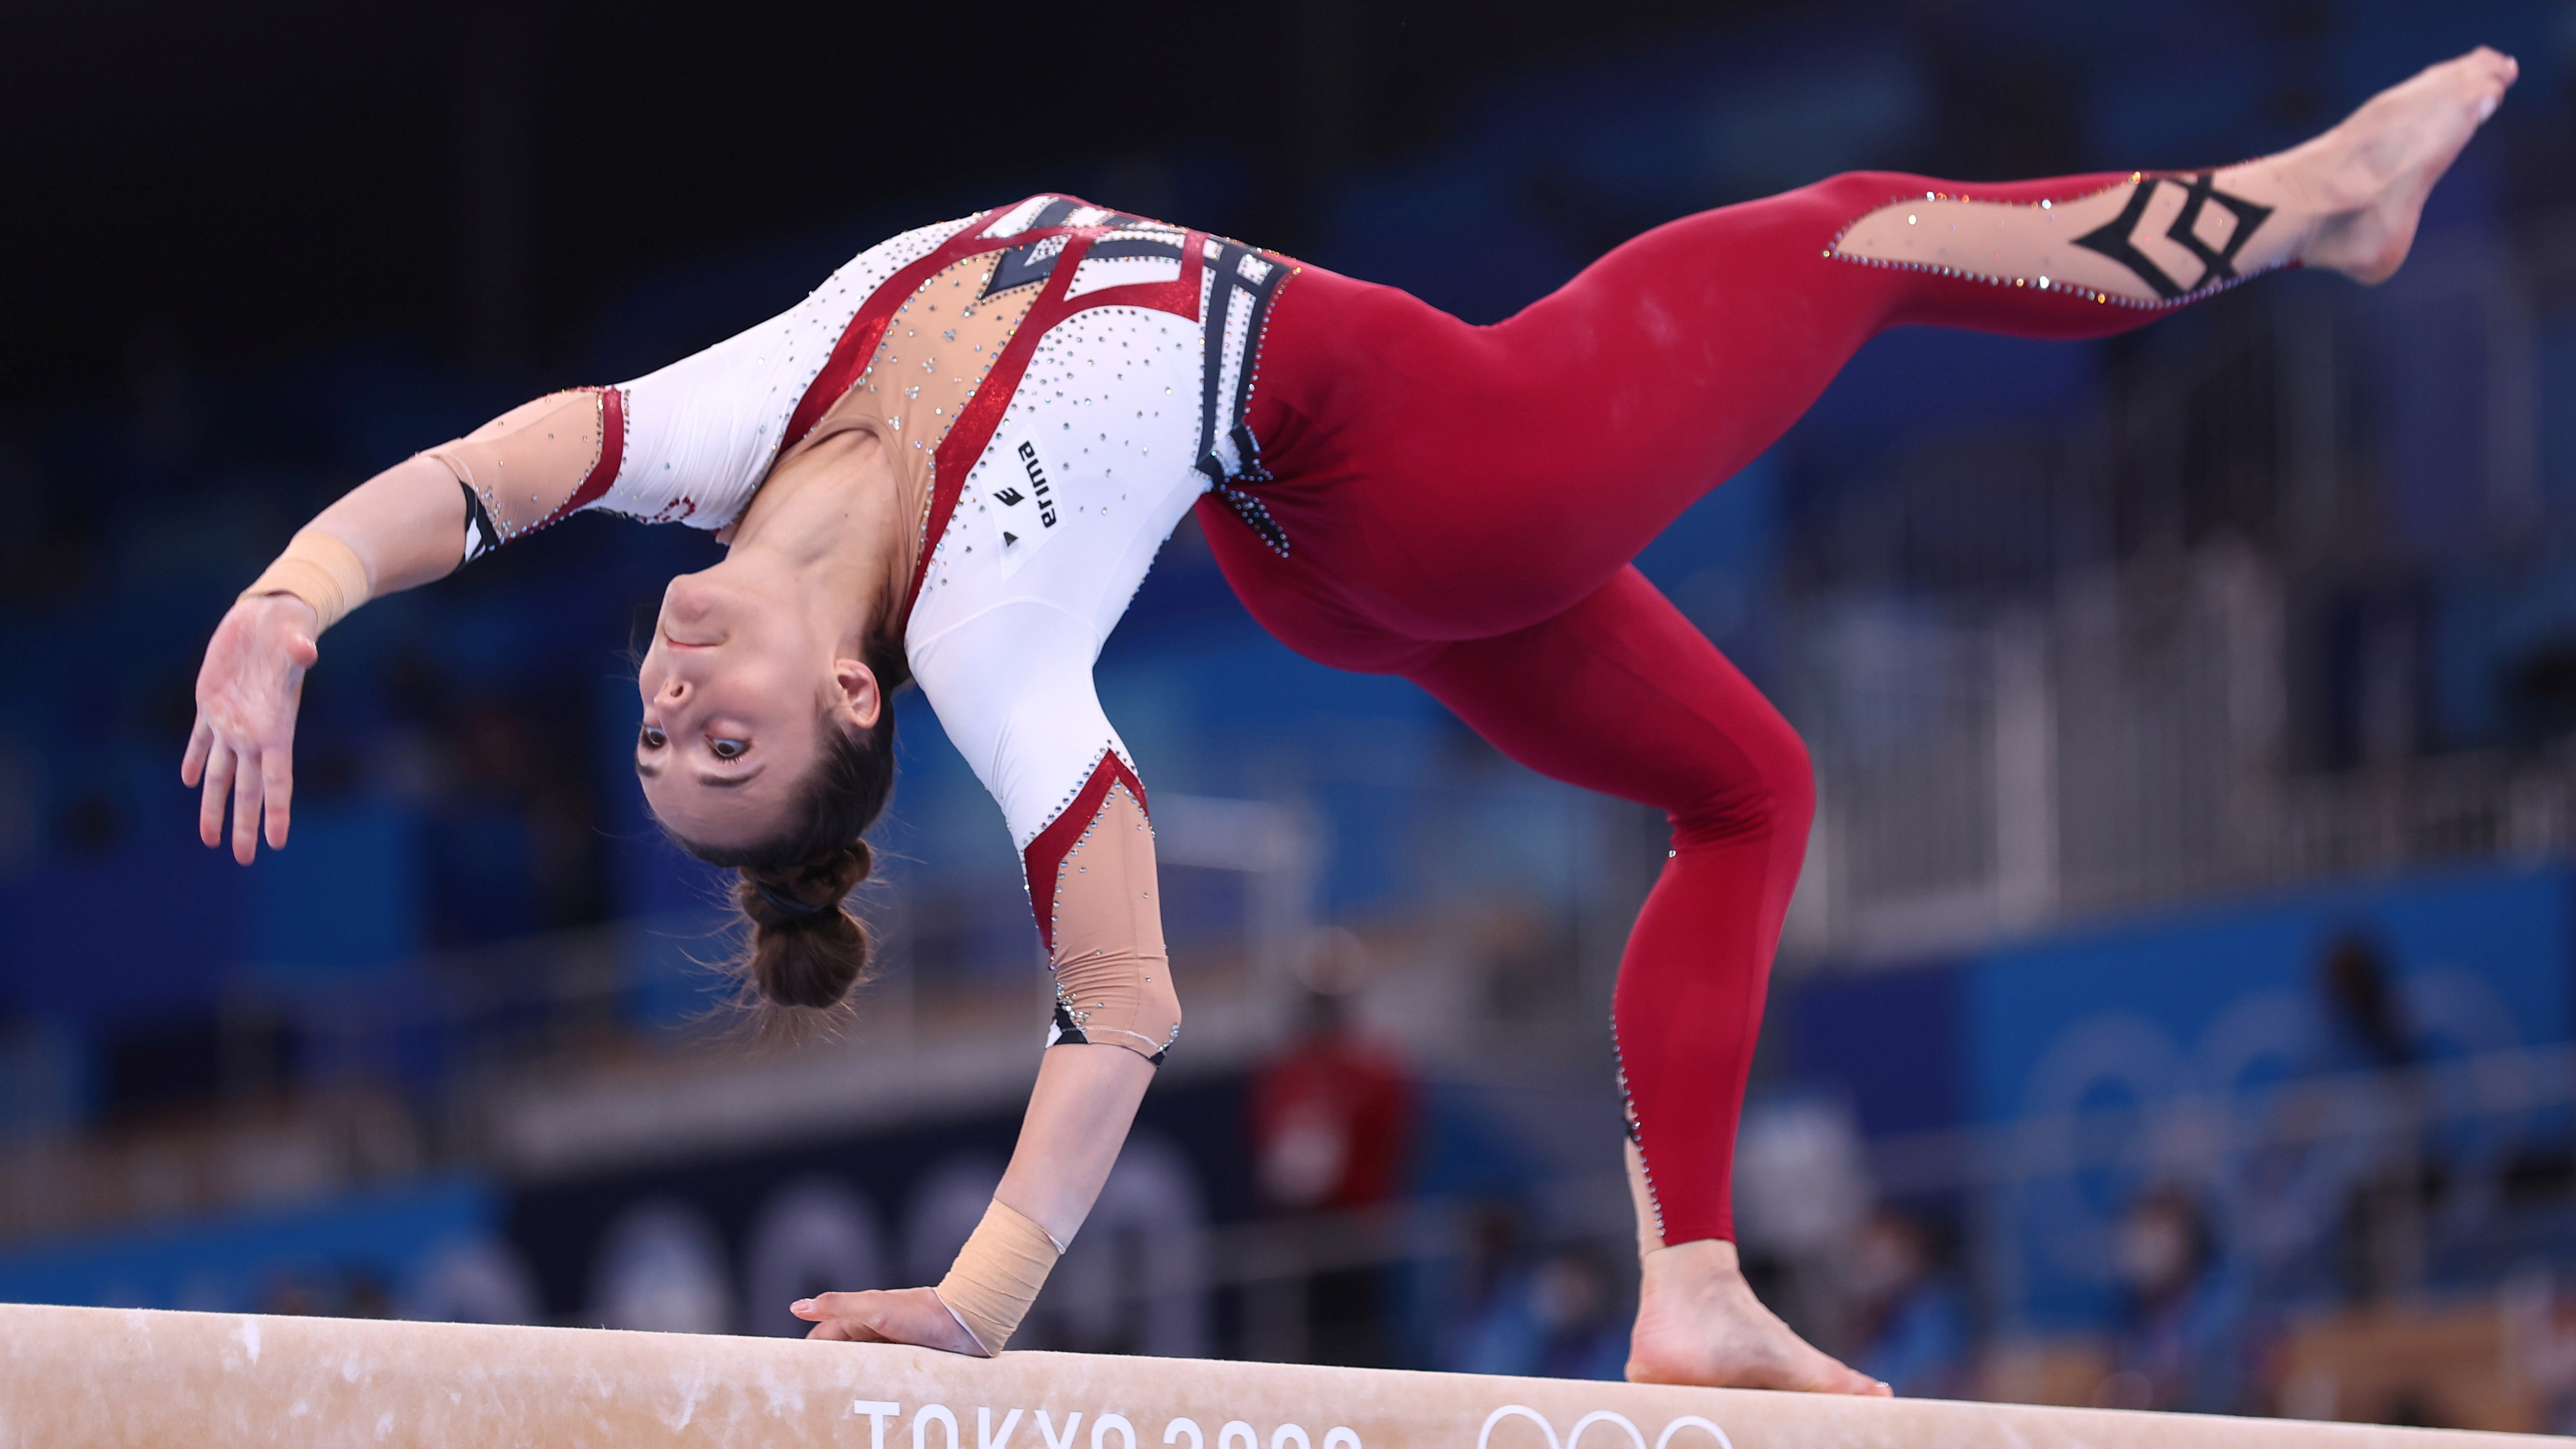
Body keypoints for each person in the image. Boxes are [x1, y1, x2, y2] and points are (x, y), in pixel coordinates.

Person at [183, 50, 2518, 1393]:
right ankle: (2309, 208)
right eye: (722, 753)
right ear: (855, 695)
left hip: (1316, 537)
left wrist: (289, 608)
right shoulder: (985, 633)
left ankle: (1688, 1283)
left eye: (660, 731)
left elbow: (473, 485)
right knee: (1849, 230)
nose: (671, 702)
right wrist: (986, 1303)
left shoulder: (721, 434)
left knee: (1749, 792)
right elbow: (1126, 999)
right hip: (1441, 470)